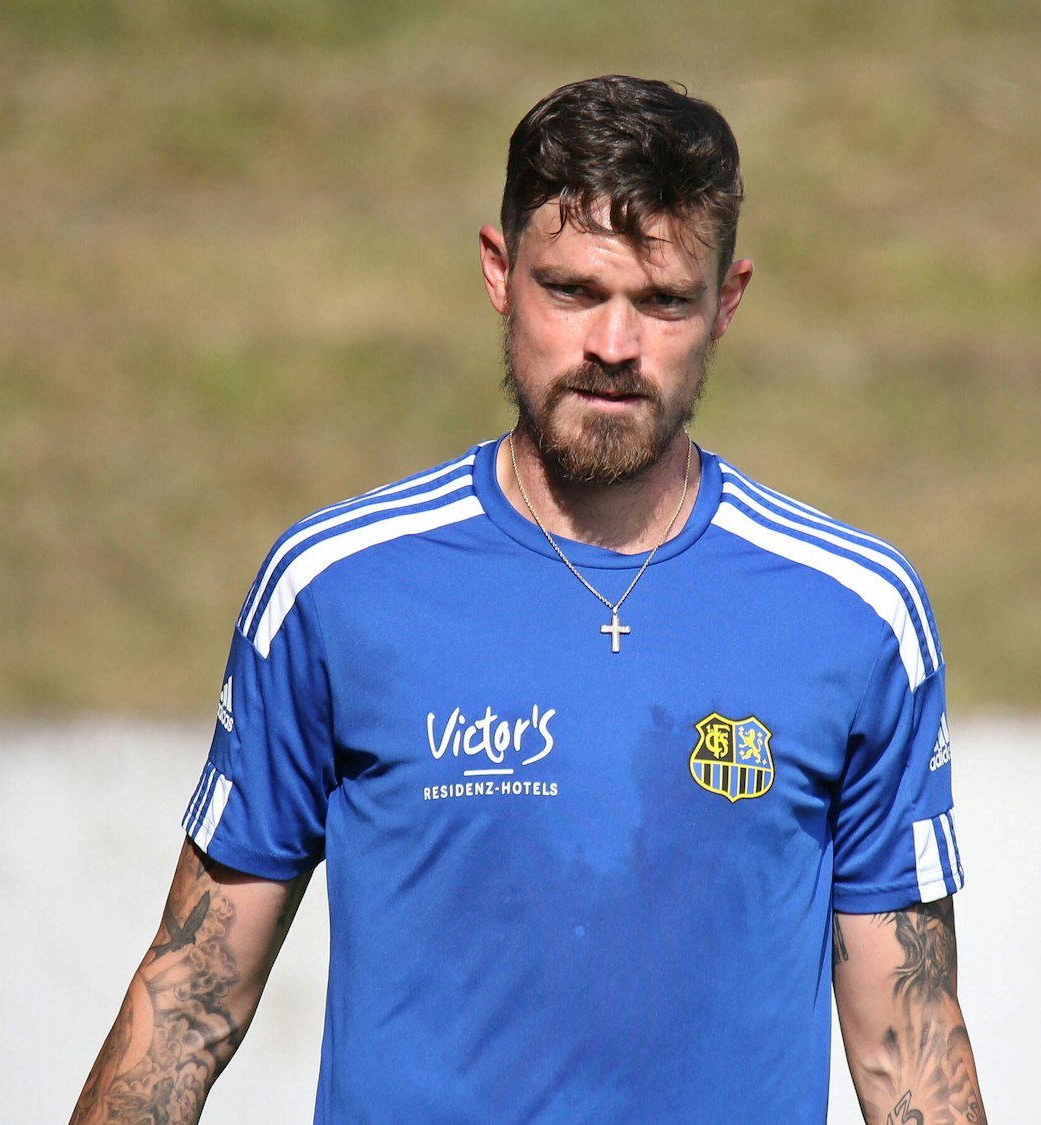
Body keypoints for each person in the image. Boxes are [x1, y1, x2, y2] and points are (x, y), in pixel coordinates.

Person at [71, 74, 985, 1125]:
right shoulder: (334, 588)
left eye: (661, 301)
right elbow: (191, 996)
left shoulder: (855, 615)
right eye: (572, 290)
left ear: (725, 304)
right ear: (498, 274)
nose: (611, 344)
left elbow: (904, 1045)